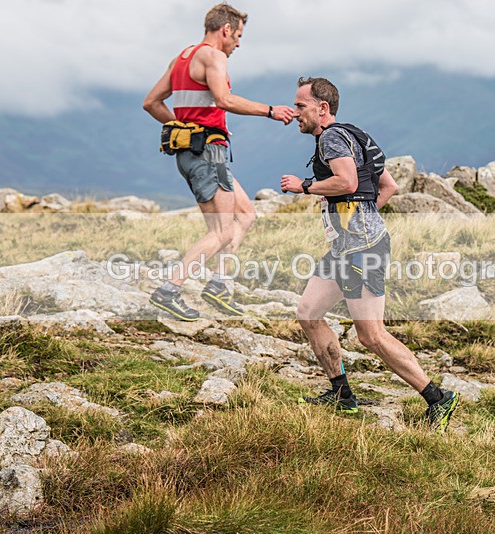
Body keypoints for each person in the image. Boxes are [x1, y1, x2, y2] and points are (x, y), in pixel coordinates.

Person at [280, 77, 460, 433]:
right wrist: (362, 213)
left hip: (361, 249)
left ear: (323, 108)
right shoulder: (355, 135)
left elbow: (346, 183)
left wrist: (305, 186)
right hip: (347, 245)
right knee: (308, 313)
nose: (295, 112)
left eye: (301, 106)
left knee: (371, 336)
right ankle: (341, 394)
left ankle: (438, 398)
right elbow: (387, 185)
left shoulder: (332, 138)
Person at [143, 3, 294, 320]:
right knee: (223, 231)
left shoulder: (181, 59)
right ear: (226, 30)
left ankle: (219, 286)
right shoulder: (214, 56)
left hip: (193, 154)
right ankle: (169, 290)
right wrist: (270, 110)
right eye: (237, 35)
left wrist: (181, 127)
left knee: (246, 214)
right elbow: (224, 100)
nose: (238, 43)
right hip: (208, 153)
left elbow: (151, 102)